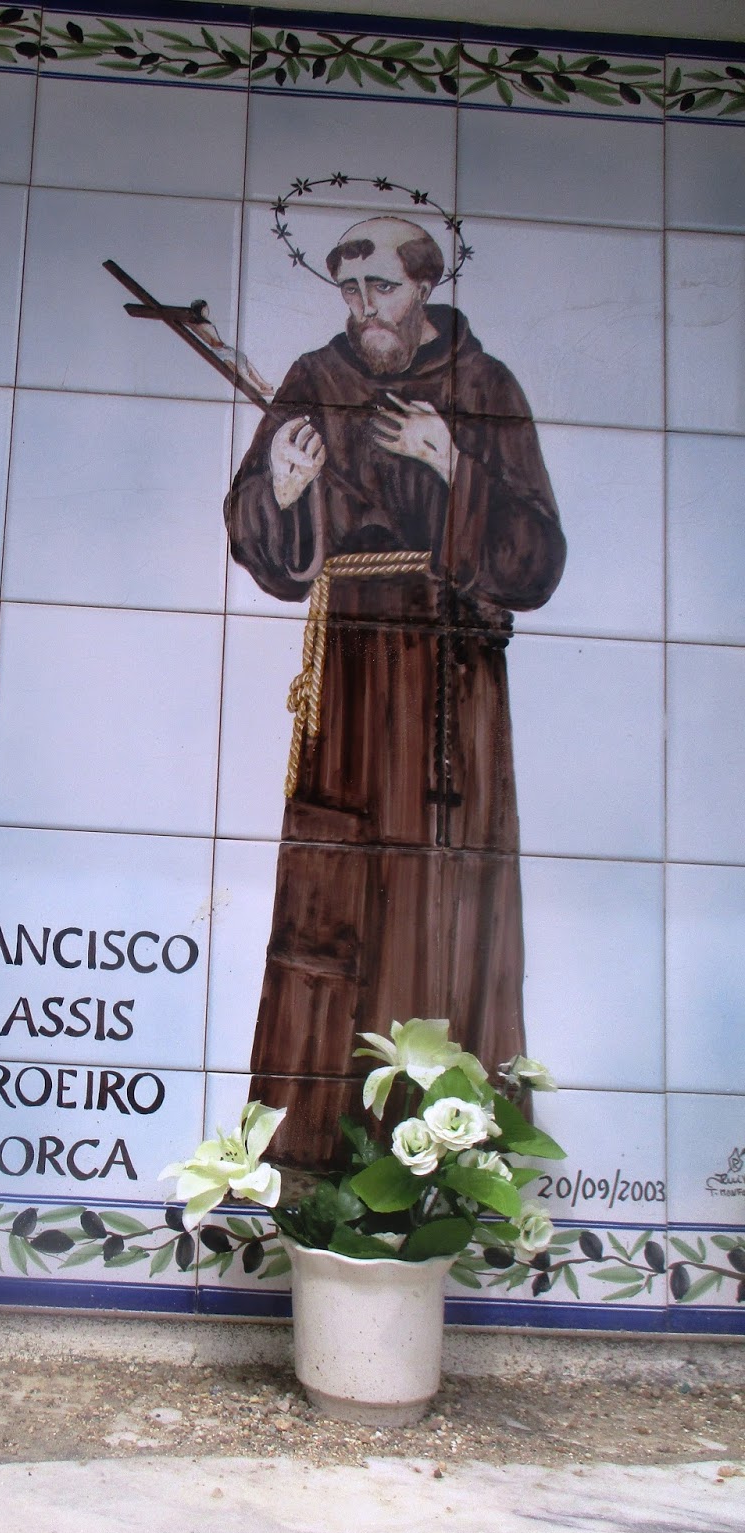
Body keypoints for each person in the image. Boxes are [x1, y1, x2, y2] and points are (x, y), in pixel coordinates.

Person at [225, 214, 566, 1173]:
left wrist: (450, 462)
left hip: (453, 689)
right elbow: (254, 534)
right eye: (350, 289)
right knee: (335, 896)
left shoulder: (484, 388)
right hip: (349, 681)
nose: (364, 306)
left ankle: (447, 1152)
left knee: (445, 898)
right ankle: (313, 1151)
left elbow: (537, 560)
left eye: (381, 287)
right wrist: (281, 489)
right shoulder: (315, 379)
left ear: (424, 286)